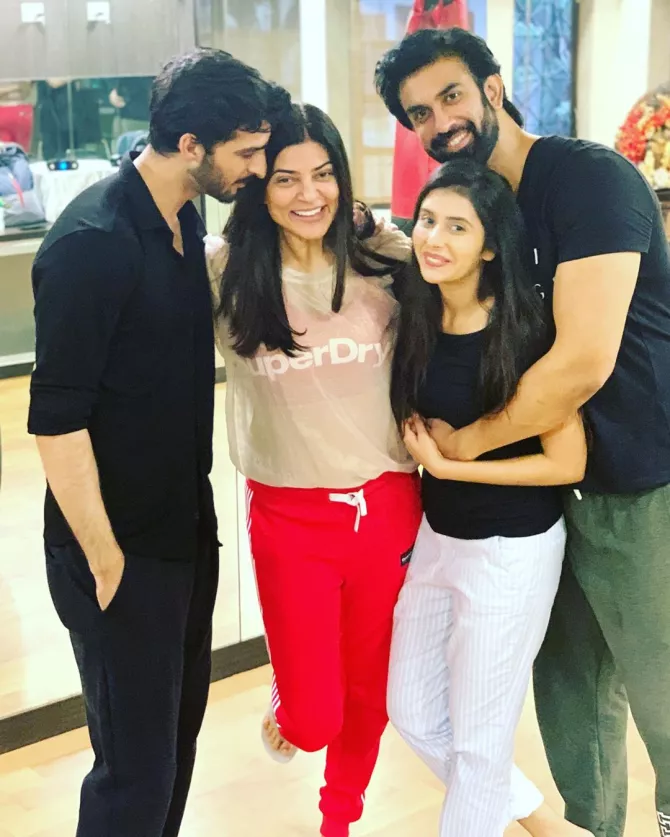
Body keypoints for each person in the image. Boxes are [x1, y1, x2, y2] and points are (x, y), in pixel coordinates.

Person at [375, 26, 670, 837]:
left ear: (493, 89)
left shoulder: (587, 180)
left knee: (661, 692)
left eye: (451, 96)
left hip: (639, 478)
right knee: (572, 700)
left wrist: (465, 446)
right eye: (419, 114)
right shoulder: (483, 211)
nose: (439, 122)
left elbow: (581, 361)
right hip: (545, 495)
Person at [28, 48, 290, 837]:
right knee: (132, 774)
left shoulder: (184, 217)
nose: (257, 168)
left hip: (183, 530)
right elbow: (56, 421)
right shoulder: (92, 242)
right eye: (247, 151)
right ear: (189, 144)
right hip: (119, 550)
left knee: (174, 749)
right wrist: (106, 560)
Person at [205, 102, 422, 837]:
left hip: (388, 508)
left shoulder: (382, 266)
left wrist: (368, 223)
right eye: (286, 178)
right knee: (314, 718)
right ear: (258, 188)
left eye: (324, 174)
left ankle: (339, 817)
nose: (309, 194)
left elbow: (443, 255)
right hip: (289, 521)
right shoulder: (224, 272)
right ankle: (290, 700)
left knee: (371, 693)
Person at [387, 158, 589, 837]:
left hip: (512, 552)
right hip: (439, 540)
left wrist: (452, 467)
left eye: (457, 227)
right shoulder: (417, 316)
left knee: (479, 744)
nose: (433, 238)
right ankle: (548, 824)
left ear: (491, 246)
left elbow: (566, 461)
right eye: (427, 221)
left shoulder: (522, 332)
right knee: (413, 711)